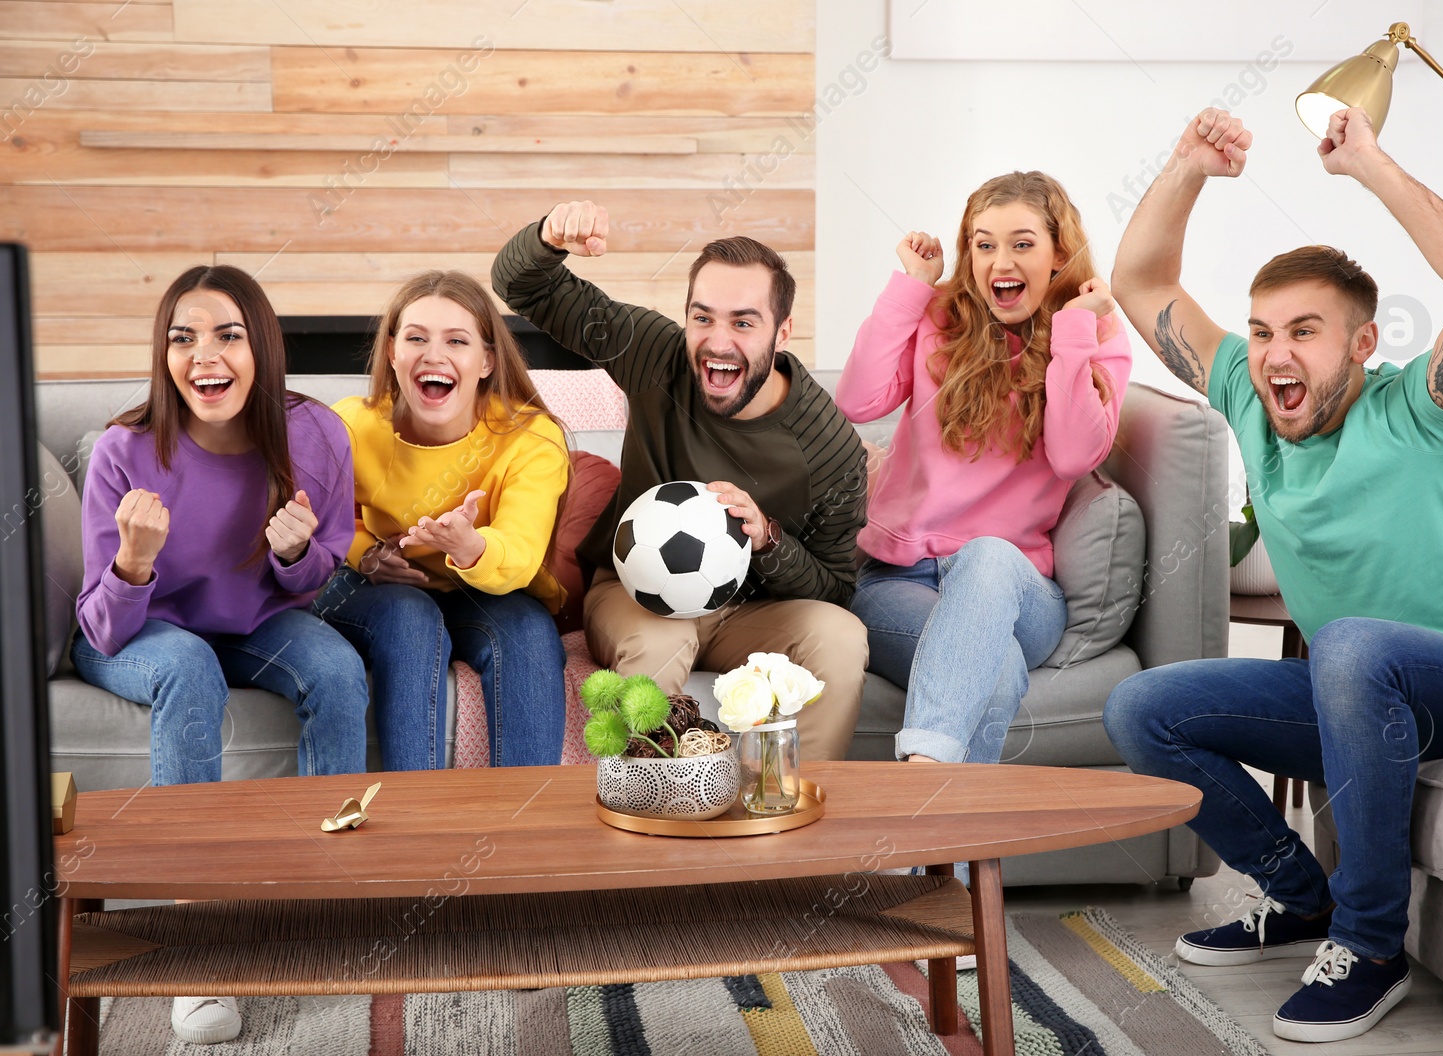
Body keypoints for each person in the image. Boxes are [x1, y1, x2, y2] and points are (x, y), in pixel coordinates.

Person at [1103, 106, 1443, 1043]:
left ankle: (1373, 950)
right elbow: (1138, 280)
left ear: (1362, 347)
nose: (1273, 355)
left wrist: (1370, 165)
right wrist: (1185, 167)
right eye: (1259, 333)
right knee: (1144, 708)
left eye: (1304, 332)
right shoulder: (1249, 400)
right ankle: (1302, 900)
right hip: (1352, 687)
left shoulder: (1418, 408)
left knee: (1350, 646)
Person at [72, 264, 368, 1045]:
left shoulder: (316, 433)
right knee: (188, 667)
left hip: (254, 621)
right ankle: (199, 946)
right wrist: (134, 562)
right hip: (141, 632)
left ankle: (319, 908)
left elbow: (312, 583)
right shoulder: (122, 450)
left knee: (338, 669)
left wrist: (295, 554)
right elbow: (102, 626)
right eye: (183, 337)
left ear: (261, 347)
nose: (205, 354)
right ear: (164, 357)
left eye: (228, 335)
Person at [491, 203, 868, 760]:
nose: (717, 341)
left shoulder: (828, 446)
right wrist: (550, 235)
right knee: (663, 637)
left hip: (751, 616)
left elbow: (835, 589)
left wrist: (768, 541)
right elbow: (521, 286)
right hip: (634, 595)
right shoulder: (654, 355)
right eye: (703, 317)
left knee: (840, 636)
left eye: (743, 321)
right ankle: (644, 812)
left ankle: (788, 813)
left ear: (783, 331)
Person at [836, 170, 1131, 767]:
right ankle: (950, 854)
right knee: (990, 675)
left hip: (1019, 592)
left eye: (1023, 243)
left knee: (989, 554)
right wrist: (909, 288)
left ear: (1058, 255)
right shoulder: (937, 317)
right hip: (902, 582)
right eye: (984, 242)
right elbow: (857, 401)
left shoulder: (1095, 333)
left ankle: (919, 787)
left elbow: (1075, 455)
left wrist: (1073, 331)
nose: (1002, 260)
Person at [312, 271, 569, 771]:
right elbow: (318, 522)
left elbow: (519, 552)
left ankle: (526, 826)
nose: (434, 355)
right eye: (416, 338)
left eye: (456, 340)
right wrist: (366, 553)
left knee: (531, 633)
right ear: (392, 352)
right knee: (411, 616)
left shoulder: (531, 439)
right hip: (376, 591)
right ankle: (413, 821)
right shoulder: (349, 424)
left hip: (483, 589)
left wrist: (470, 545)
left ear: (486, 360)